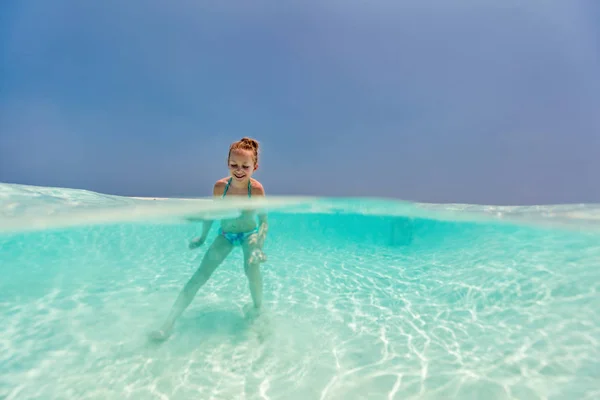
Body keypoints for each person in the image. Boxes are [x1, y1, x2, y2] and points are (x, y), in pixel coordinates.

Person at [150, 137, 268, 341]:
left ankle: (258, 312)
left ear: (255, 167)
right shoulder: (220, 187)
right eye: (234, 165)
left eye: (245, 166)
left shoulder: (256, 190)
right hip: (226, 235)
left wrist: (258, 246)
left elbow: (263, 221)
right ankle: (169, 322)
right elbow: (212, 214)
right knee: (200, 275)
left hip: (250, 234)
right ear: (227, 163)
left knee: (252, 270)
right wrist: (202, 237)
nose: (239, 170)